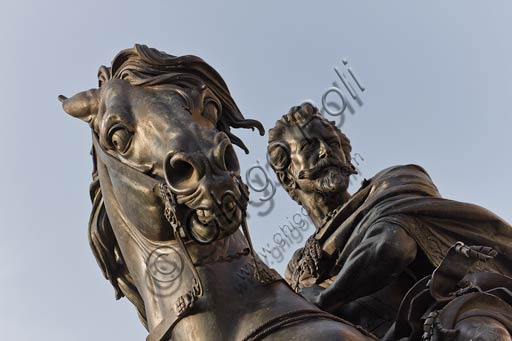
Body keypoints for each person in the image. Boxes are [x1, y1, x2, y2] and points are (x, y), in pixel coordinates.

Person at [267, 103, 512, 336]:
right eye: (309, 147)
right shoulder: (298, 268)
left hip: (438, 316)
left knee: (483, 335)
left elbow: (392, 246)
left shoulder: (393, 182)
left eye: (332, 143)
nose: (325, 152)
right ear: (288, 178)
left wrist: (324, 299)